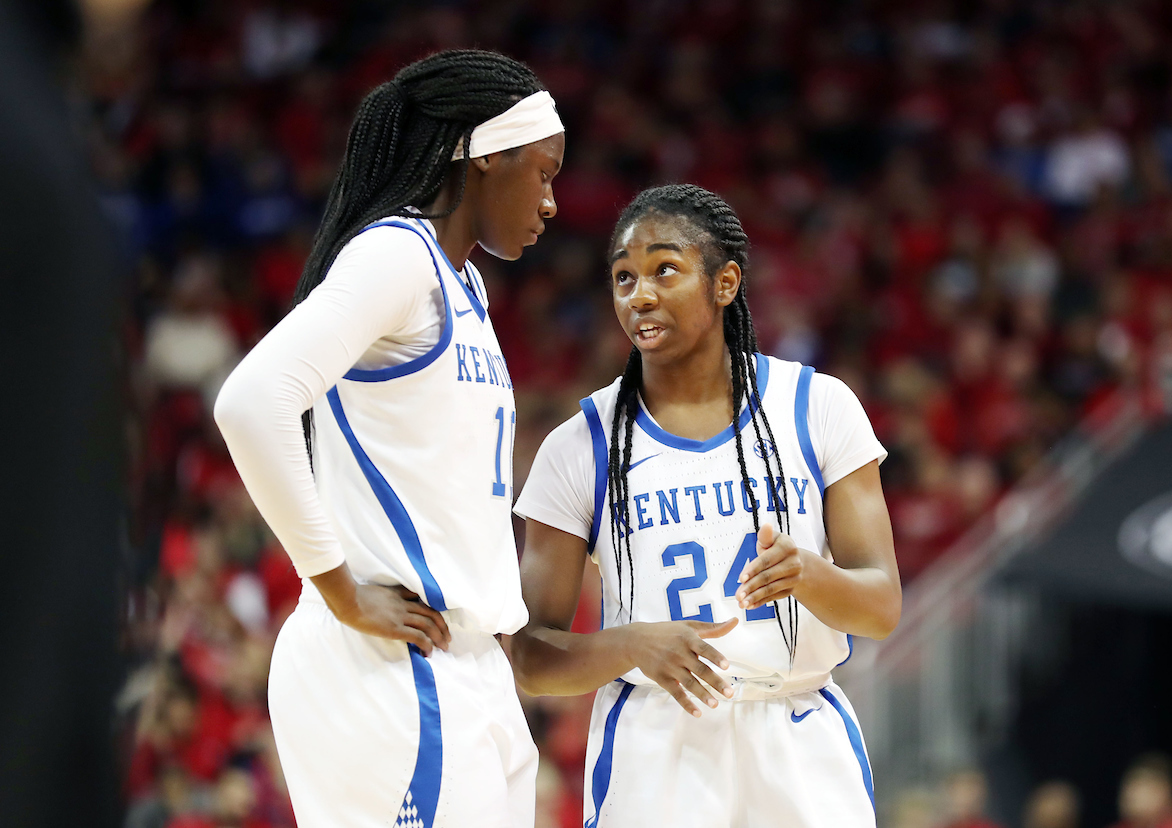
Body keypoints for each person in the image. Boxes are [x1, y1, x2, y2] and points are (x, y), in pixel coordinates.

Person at [213, 50, 564, 828]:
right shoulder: (396, 254)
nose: (551, 203)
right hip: (391, 666)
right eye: (542, 173)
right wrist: (337, 588)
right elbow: (251, 401)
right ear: (485, 157)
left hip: (464, 665)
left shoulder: (464, 283)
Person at [511, 184, 900, 827]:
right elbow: (530, 656)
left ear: (725, 283)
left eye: (665, 269)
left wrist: (809, 574)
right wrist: (630, 645)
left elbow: (882, 607)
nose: (640, 294)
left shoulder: (817, 406)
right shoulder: (578, 444)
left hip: (798, 730)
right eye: (623, 277)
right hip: (657, 741)